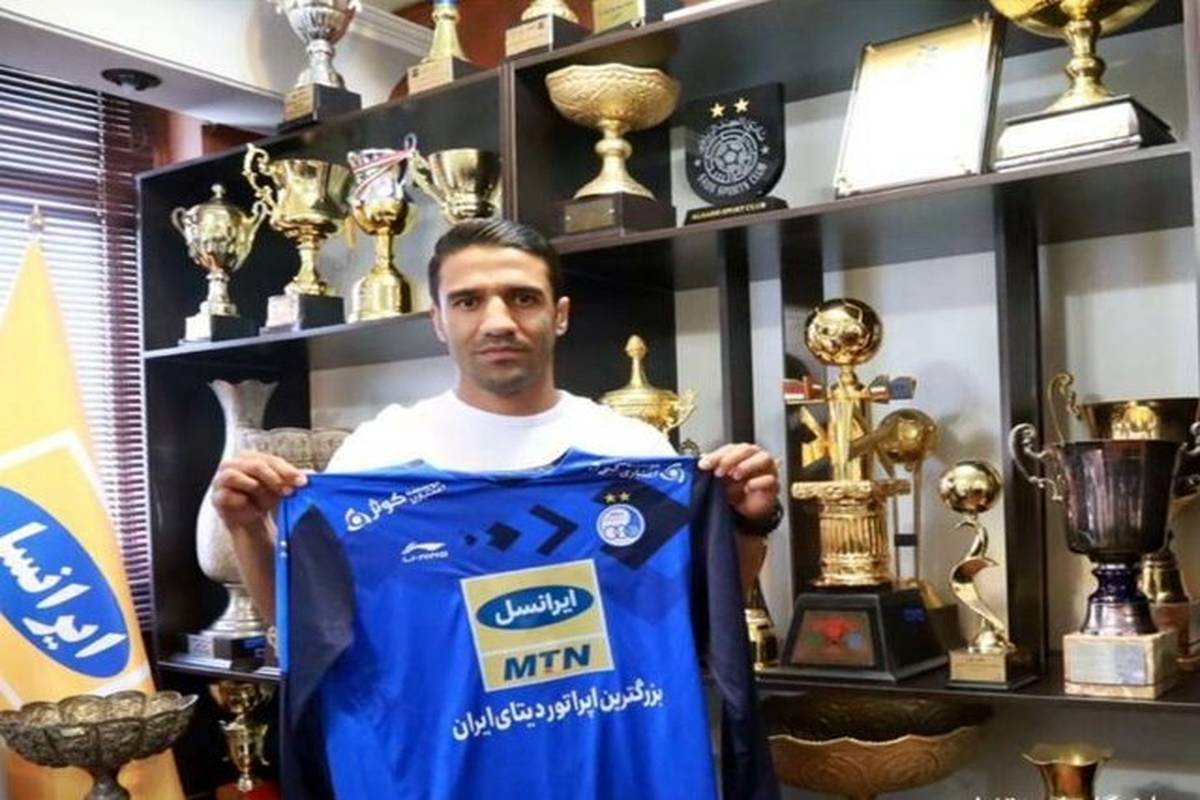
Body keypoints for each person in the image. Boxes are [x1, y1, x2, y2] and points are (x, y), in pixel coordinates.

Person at [212, 219, 783, 626]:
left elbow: (695, 610)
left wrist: (749, 521)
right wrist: (247, 528)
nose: (498, 322)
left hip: (595, 738)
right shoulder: (379, 453)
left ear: (560, 315)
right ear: (438, 321)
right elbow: (305, 625)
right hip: (442, 747)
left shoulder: (630, 449)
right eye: (468, 302)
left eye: (523, 298)